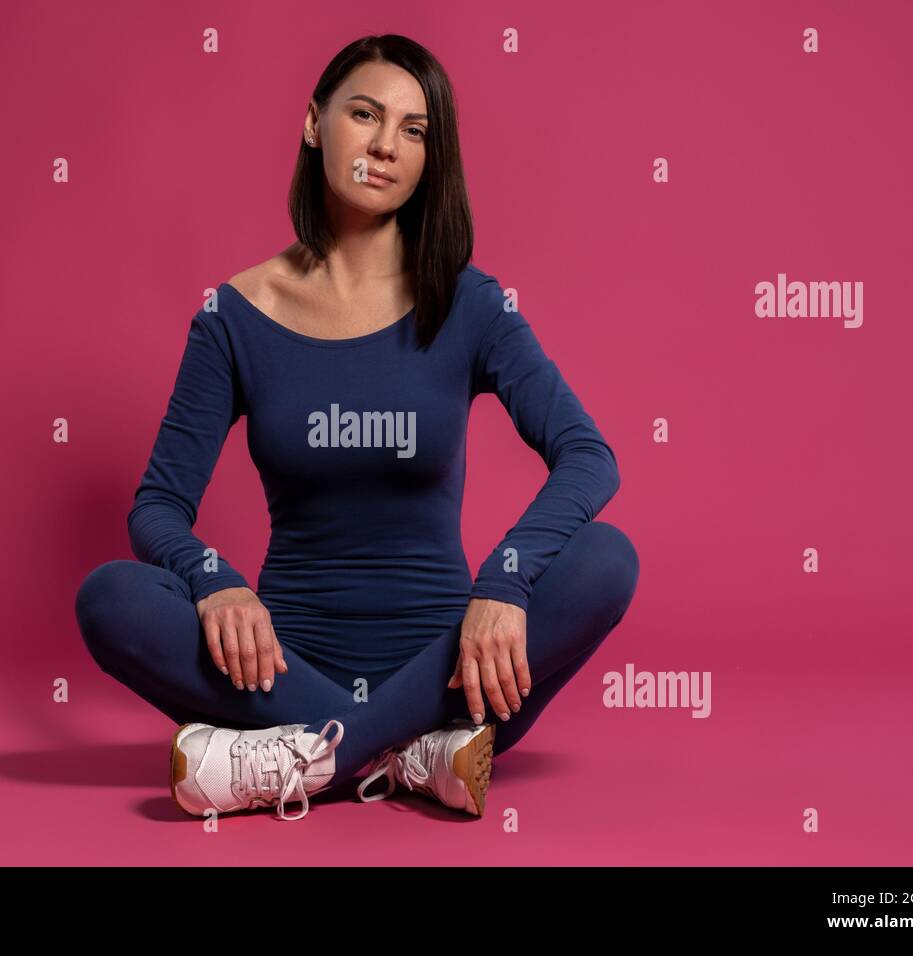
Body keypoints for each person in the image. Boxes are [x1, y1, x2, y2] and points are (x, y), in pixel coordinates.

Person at [75, 34, 639, 823]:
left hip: (452, 671)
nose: (386, 145)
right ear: (314, 124)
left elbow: (589, 457)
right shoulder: (236, 316)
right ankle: (413, 756)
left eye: (414, 131)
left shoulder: (469, 304)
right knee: (111, 598)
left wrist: (504, 582)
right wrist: (216, 583)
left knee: (607, 559)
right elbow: (157, 508)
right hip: (278, 667)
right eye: (366, 115)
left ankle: (299, 760)